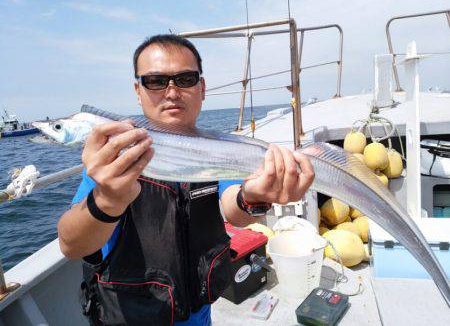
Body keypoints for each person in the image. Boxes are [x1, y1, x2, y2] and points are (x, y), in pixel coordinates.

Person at [57, 34, 314, 326]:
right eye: (155, 81)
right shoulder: (113, 159)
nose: (171, 91)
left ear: (202, 88)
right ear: (138, 91)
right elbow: (71, 245)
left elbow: (234, 208)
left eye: (185, 79)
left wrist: (252, 196)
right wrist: (107, 199)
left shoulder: (216, 152)